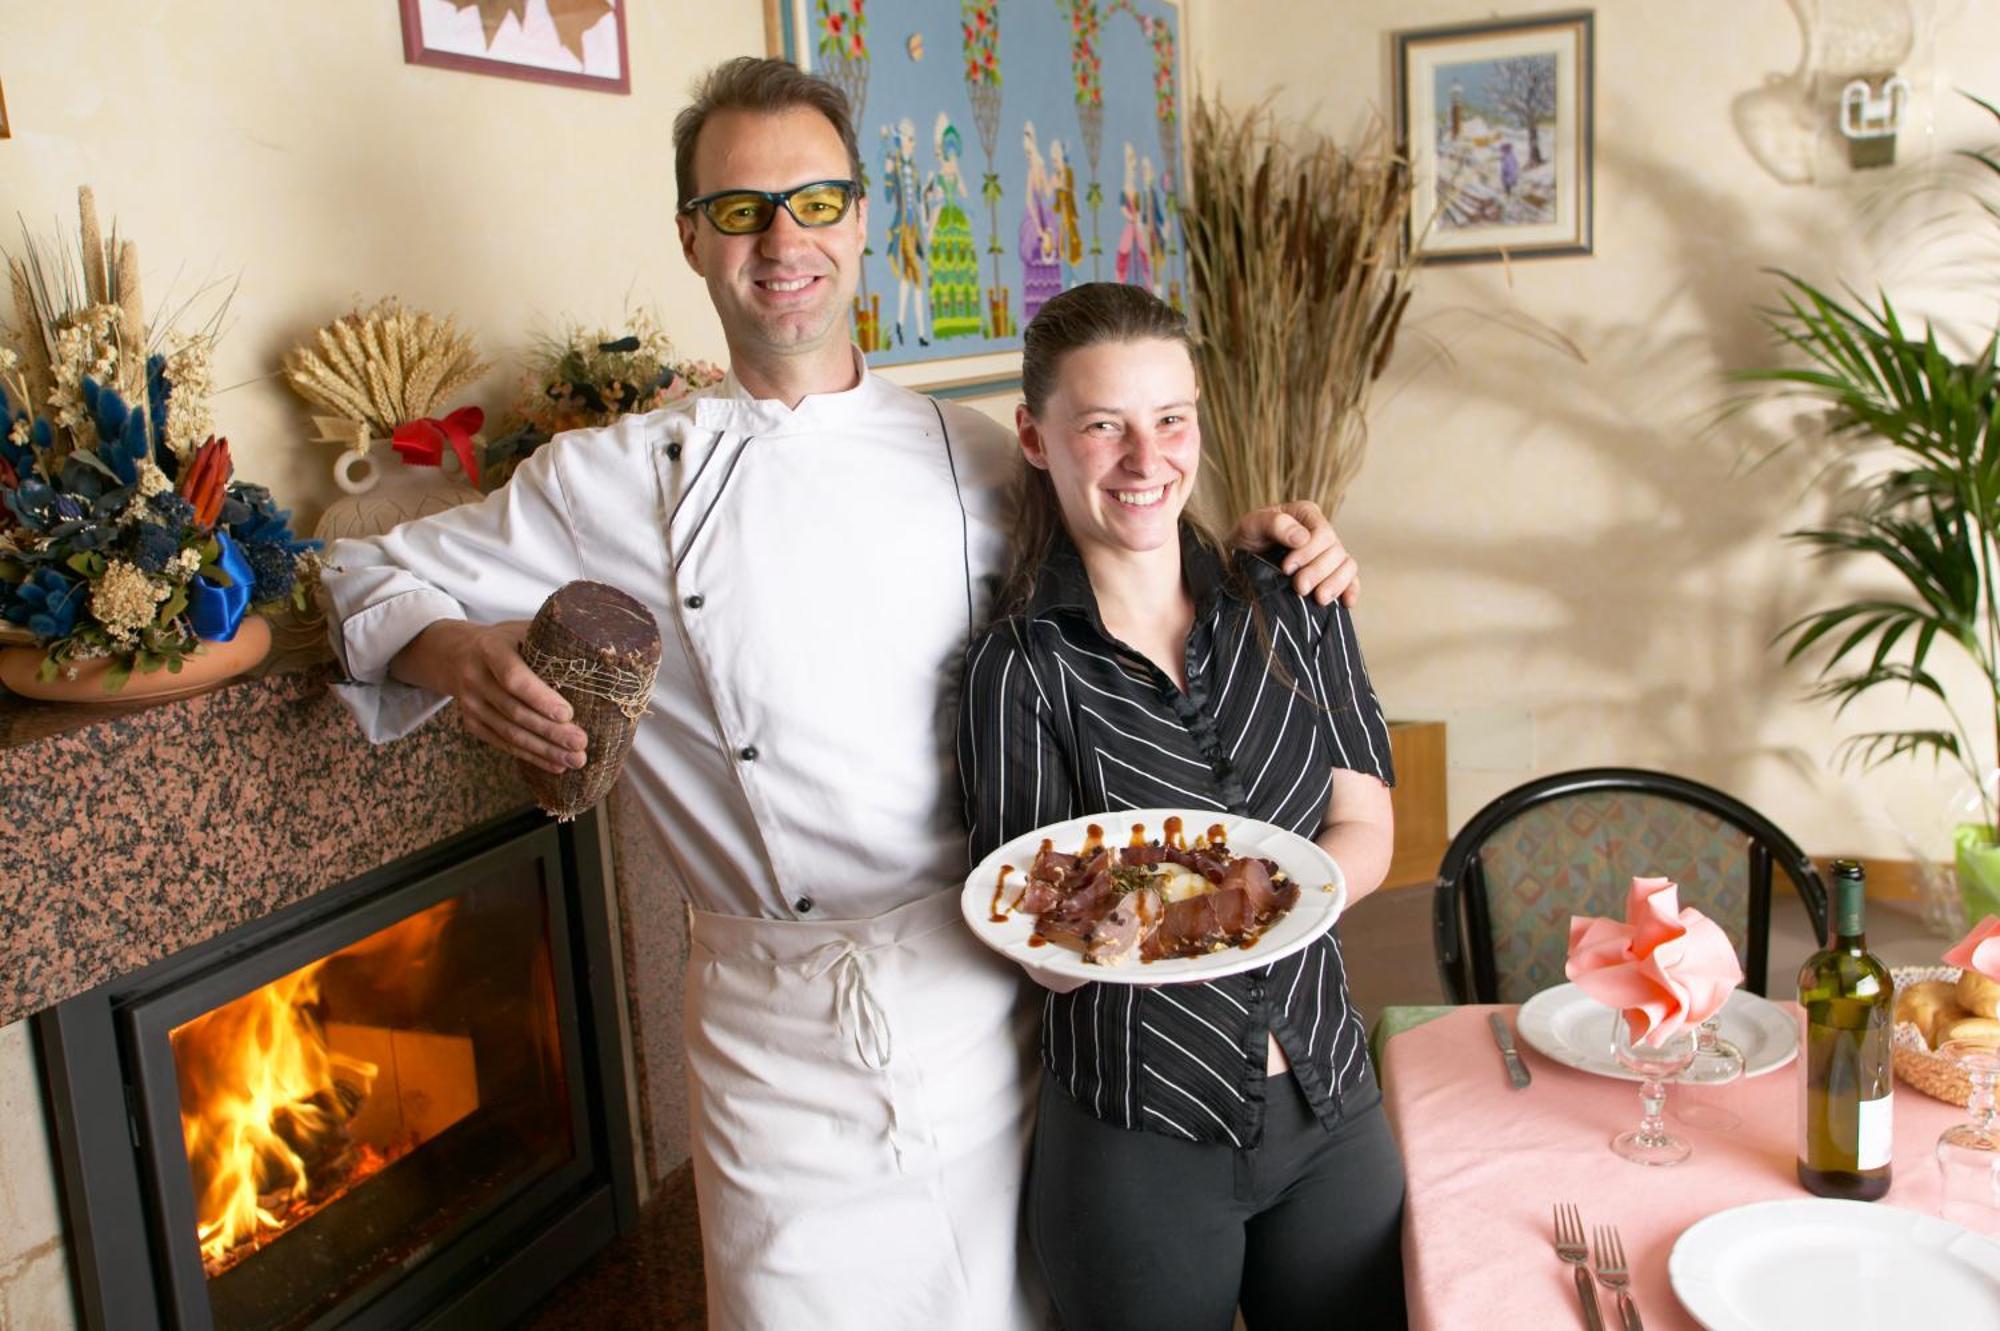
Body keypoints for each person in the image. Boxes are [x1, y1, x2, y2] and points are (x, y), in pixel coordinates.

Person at [321, 57, 1360, 1331]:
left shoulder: (977, 456)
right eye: (739, 209)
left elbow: (1143, 537)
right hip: (776, 1026)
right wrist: (449, 652)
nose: (780, 242)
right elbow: (357, 567)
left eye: (814, 202)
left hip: (994, 1002)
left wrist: (1280, 545)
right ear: (692, 239)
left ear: (862, 221)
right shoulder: (603, 479)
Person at [960, 283, 1406, 1331]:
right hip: (1136, 1135)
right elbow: (1031, 935)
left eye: (1169, 418)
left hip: (1328, 1104)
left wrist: (1255, 903)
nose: (1143, 458)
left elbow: (1368, 825)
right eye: (1101, 423)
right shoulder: (1017, 666)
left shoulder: (1294, 596)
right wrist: (1156, 925)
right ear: (1035, 436)